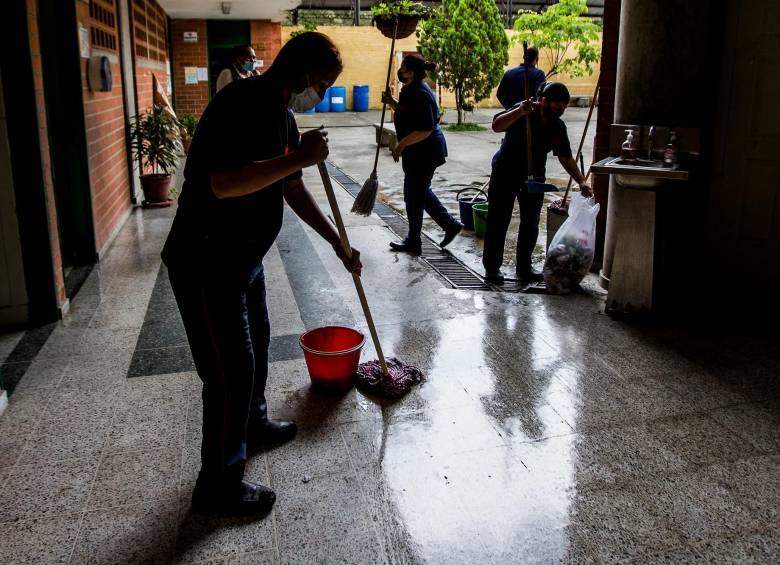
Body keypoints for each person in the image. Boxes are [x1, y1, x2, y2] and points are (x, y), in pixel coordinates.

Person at [161, 32, 361, 516]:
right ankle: (218, 487)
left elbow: (291, 187)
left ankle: (252, 424)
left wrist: (337, 240)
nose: (322, 92)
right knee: (229, 371)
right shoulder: (239, 104)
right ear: (303, 73)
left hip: (243, 258)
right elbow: (223, 183)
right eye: (322, 82)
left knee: (259, 344)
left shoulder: (283, 117)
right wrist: (298, 157)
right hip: (206, 258)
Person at [483, 81, 592, 285]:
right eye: (556, 106)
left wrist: (582, 181)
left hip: (534, 177)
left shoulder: (557, 126)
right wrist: (518, 112)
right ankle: (491, 268)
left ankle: (524, 267)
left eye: (564, 108)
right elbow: (496, 125)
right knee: (499, 220)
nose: (560, 111)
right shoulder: (524, 110)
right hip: (505, 171)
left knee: (530, 223)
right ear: (543, 101)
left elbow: (566, 158)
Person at [381, 54, 462, 256]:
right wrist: (392, 101)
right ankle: (449, 225)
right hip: (416, 151)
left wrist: (401, 145)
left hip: (426, 151)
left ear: (412, 72)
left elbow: (425, 129)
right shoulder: (410, 90)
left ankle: (414, 241)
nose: (400, 70)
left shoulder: (421, 93)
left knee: (413, 195)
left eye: (403, 67)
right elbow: (407, 112)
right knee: (418, 192)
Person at [496, 46, 546, 111]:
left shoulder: (509, 73)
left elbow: (499, 93)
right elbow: (540, 97)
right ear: (537, 59)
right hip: (531, 115)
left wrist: (509, 108)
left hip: (512, 115)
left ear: (523, 57)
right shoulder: (539, 74)